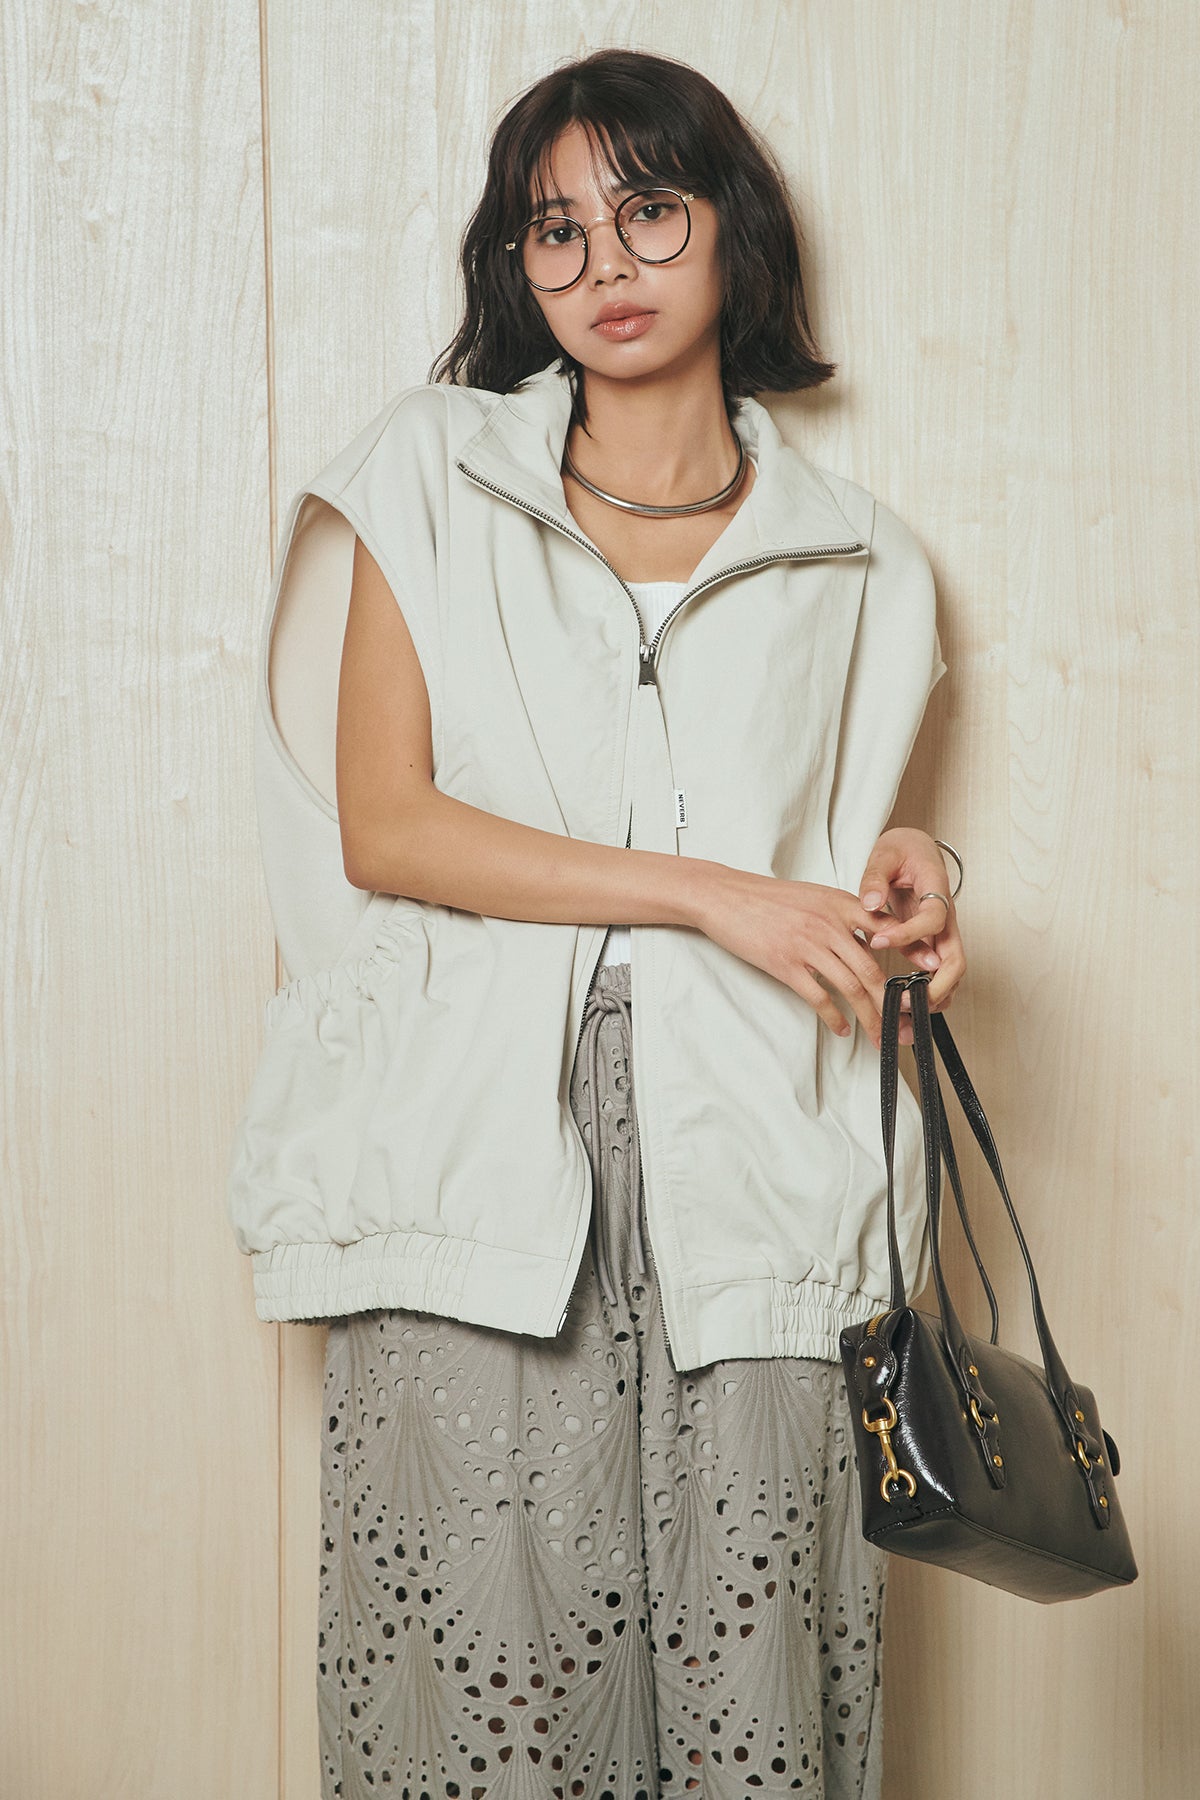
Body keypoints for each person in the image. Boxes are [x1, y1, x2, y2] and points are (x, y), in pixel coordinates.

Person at [227, 46, 966, 1800]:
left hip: (760, 1172)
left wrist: (918, 867)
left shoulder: (864, 560)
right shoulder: (428, 472)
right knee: (472, 1704)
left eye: (649, 210)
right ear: (517, 262)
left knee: (758, 1710)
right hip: (474, 1156)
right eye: (555, 228)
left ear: (734, 229)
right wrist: (710, 892)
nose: (604, 264)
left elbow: (832, 849)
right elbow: (392, 825)